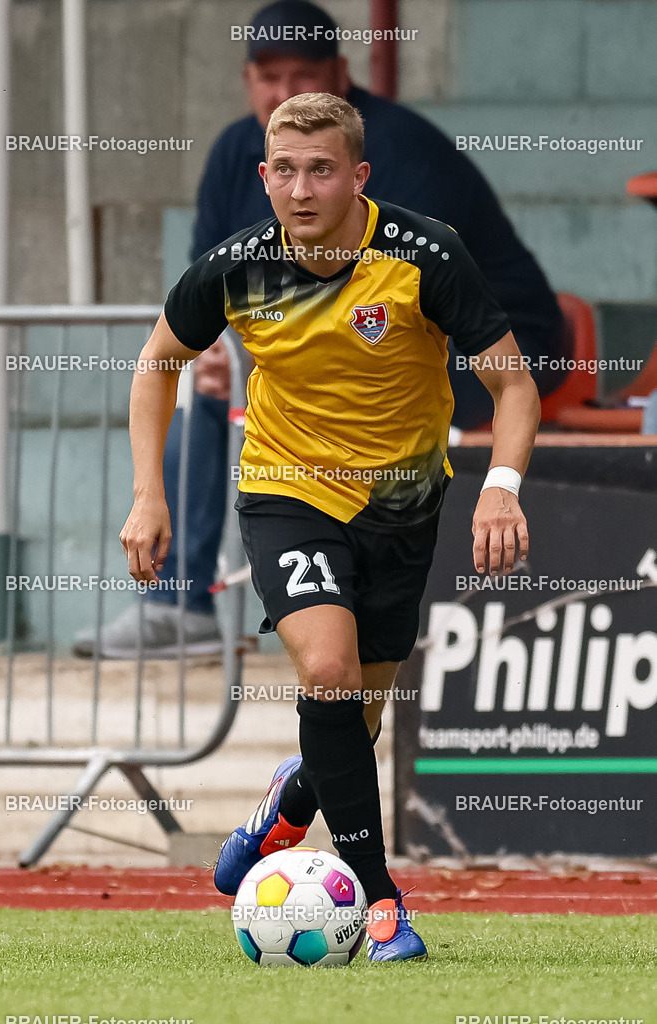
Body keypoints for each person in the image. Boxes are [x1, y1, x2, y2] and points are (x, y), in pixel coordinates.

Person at [119, 92, 540, 961]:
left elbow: (514, 384)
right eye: (285, 171)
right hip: (287, 492)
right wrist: (146, 495)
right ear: (263, 176)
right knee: (327, 669)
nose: (302, 189)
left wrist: (502, 486)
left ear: (359, 176)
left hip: (402, 508)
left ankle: (291, 802)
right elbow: (158, 361)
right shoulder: (234, 267)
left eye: (322, 170)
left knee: (354, 718)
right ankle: (382, 905)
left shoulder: (424, 255)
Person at [74, 0, 563, 660]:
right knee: (197, 386)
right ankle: (181, 602)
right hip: (325, 357)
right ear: (248, 81)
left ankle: (354, 623)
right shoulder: (232, 154)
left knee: (360, 669)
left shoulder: (399, 148)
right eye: (268, 78)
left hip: (471, 350)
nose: (284, 93)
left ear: (339, 75)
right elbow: (209, 293)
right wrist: (221, 351)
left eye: (303, 76)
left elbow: (407, 302)